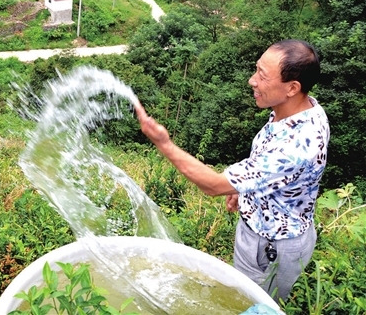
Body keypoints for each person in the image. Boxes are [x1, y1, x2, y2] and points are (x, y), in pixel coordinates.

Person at [134, 39, 329, 301]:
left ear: (292, 88)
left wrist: (163, 143)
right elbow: (271, 168)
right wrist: (247, 189)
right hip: (260, 230)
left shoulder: (296, 146)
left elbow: (213, 185)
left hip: (271, 248)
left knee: (253, 305)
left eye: (262, 75)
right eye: (256, 69)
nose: (252, 81)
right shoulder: (302, 110)